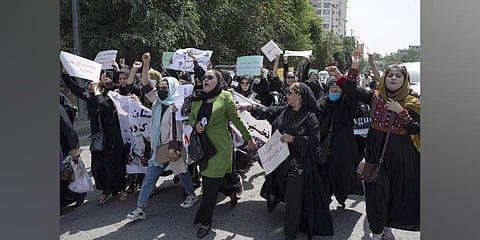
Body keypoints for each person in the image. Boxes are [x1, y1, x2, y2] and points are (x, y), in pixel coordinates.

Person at [326, 50, 420, 240]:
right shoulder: (376, 97)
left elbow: (416, 128)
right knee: (376, 195)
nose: (393, 78)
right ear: (384, 78)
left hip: (401, 160)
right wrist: (354, 65)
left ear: (405, 79)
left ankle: (387, 226)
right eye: (390, 75)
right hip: (376, 157)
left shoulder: (413, 102)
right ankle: (376, 232)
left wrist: (401, 112)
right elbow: (351, 89)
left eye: (398, 75)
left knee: (395, 196)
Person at [237, 82, 334, 240]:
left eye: (290, 93)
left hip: (299, 166)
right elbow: (267, 112)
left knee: (292, 199)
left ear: (300, 97)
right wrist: (250, 107)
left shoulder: (310, 117)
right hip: (280, 163)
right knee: (285, 192)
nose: (287, 95)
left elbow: (315, 140)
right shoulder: (283, 111)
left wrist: (293, 139)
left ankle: (290, 234)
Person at [126, 53, 200, 221]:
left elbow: (177, 128)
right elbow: (145, 85)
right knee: (149, 178)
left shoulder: (177, 105)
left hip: (173, 146)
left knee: (182, 172)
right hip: (158, 148)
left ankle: (191, 194)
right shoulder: (157, 101)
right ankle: (140, 208)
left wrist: (174, 148)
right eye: (159, 87)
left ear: (172, 88)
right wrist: (146, 64)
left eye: (164, 87)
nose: (160, 89)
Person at [189, 69, 256, 239]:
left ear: (218, 82)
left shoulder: (225, 96)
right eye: (204, 77)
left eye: (210, 77)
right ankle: (231, 190)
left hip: (220, 149)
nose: (206, 79)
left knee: (209, 186)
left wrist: (249, 139)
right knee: (211, 181)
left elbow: (237, 120)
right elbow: (191, 117)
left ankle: (205, 222)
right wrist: (195, 125)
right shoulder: (197, 97)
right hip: (204, 148)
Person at [62, 71, 127, 204]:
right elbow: (78, 91)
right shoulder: (91, 99)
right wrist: (66, 76)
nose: (90, 88)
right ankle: (105, 190)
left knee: (113, 165)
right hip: (98, 139)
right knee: (97, 167)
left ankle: (120, 188)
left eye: (94, 86)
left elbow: (103, 106)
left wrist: (98, 91)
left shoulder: (110, 100)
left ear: (102, 89)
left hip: (111, 138)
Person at [317, 76, 364, 209]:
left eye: (338, 87)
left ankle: (342, 196)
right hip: (325, 147)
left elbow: (358, 111)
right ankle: (324, 201)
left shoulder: (347, 104)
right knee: (324, 175)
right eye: (332, 87)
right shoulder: (321, 104)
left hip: (343, 147)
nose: (335, 90)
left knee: (342, 175)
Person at [60, 93, 85, 209]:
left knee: (72, 169)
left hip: (66, 144)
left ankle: (80, 193)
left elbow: (68, 129)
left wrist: (74, 148)